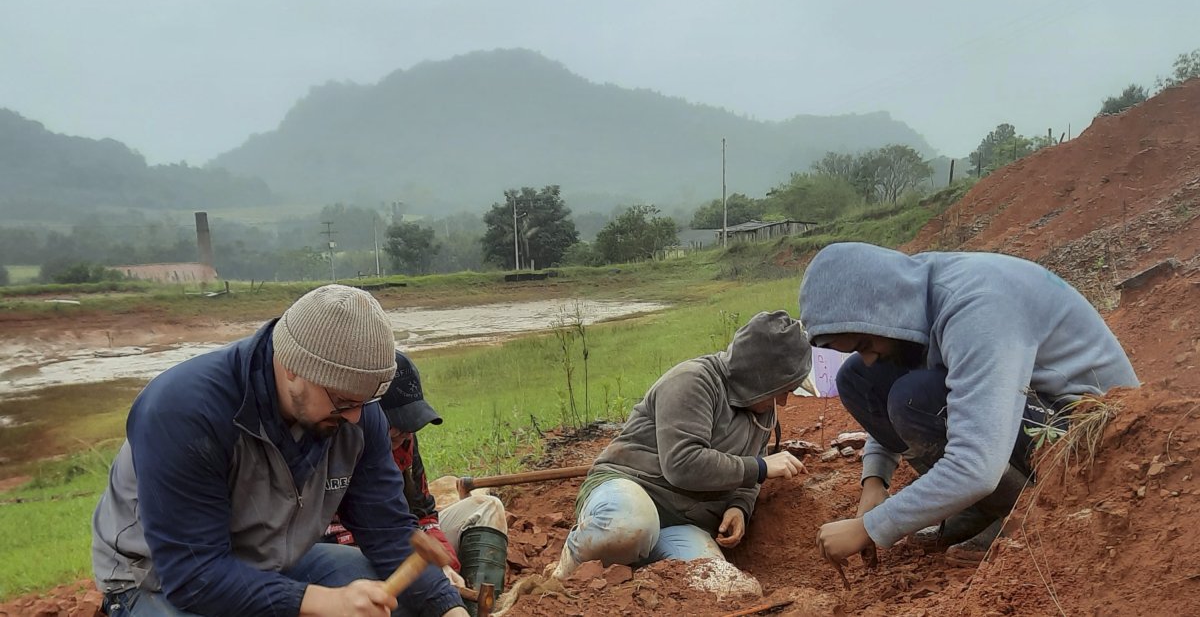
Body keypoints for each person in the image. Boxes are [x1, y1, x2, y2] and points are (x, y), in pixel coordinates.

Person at [91, 284, 468, 617]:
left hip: (271, 561)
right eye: (343, 400)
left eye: (365, 402)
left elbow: (386, 530)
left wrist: (446, 605)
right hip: (157, 578)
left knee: (396, 604)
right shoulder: (184, 412)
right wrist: (325, 603)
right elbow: (194, 576)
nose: (356, 418)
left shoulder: (357, 414)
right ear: (291, 367)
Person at [800, 243, 1138, 567]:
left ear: (884, 309)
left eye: (864, 343)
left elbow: (976, 464)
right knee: (858, 378)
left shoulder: (976, 307)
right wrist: (874, 480)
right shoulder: (913, 292)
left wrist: (869, 528)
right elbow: (885, 377)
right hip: (1033, 402)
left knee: (915, 398)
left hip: (1090, 437)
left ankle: (1025, 511)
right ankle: (982, 505)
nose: (869, 357)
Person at [552, 310, 812, 577]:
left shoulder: (762, 410)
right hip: (631, 487)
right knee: (628, 529)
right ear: (761, 378)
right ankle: (563, 574)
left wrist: (739, 507)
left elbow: (749, 473)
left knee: (719, 585)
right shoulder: (693, 381)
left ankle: (630, 570)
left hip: (683, 522)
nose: (782, 402)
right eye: (783, 391)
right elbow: (682, 464)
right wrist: (760, 468)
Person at [324, 351, 508, 606]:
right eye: (395, 426)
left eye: (409, 425)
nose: (404, 434)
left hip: (403, 540)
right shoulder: (339, 446)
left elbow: (423, 514)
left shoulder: (405, 442)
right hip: (362, 552)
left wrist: (445, 565)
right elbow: (351, 535)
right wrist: (426, 572)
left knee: (487, 508)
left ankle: (478, 606)